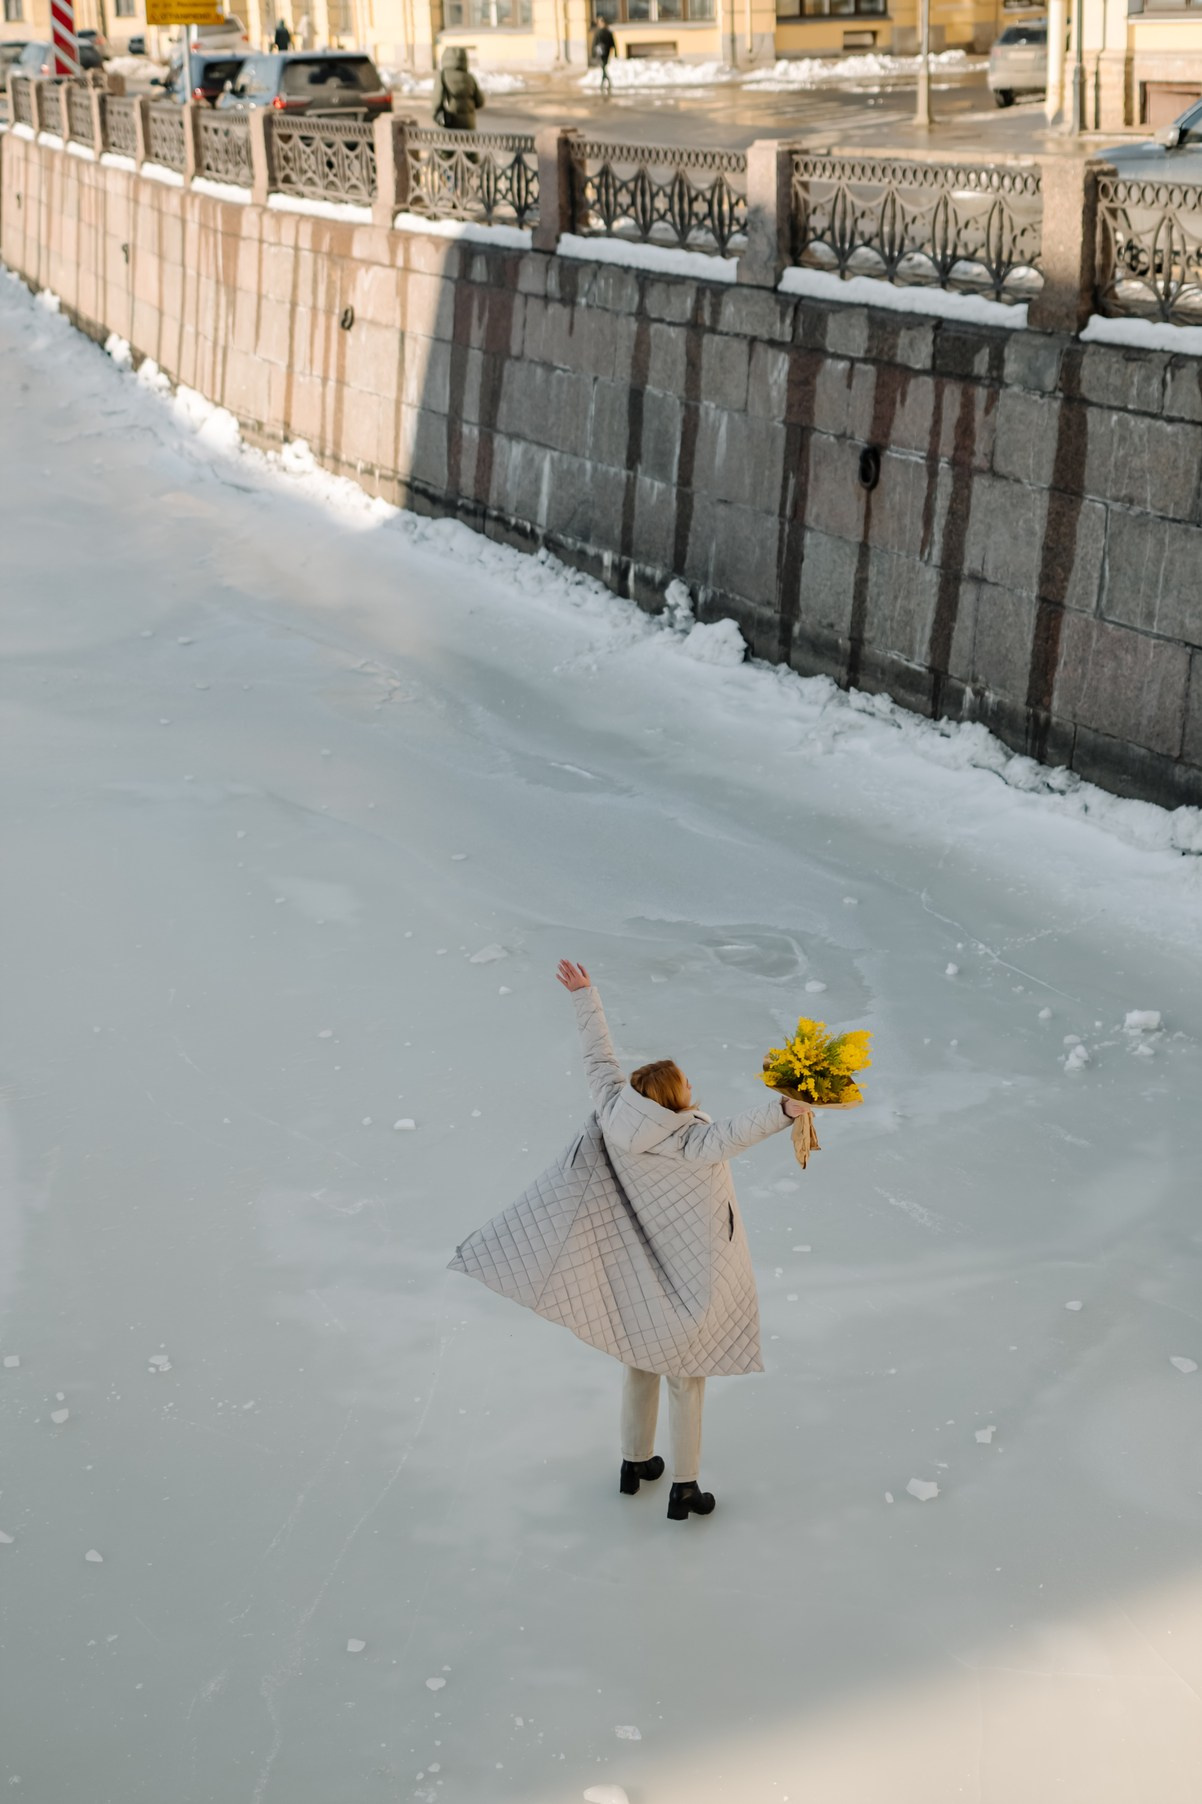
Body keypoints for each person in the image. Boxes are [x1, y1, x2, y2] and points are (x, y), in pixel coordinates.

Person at [449, 961, 813, 1522]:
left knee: (639, 1362)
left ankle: (634, 1463)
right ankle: (684, 1489)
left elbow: (599, 1058)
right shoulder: (692, 1142)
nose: (695, 1087)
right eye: (688, 1083)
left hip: (638, 1276)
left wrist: (585, 996)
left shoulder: (612, 1108)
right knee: (687, 1380)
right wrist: (787, 1109)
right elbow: (739, 1130)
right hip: (689, 1276)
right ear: (674, 1097)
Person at [433, 45, 485, 131]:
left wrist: (435, 115)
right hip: (469, 125)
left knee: (448, 144)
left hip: (450, 123)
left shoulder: (443, 75)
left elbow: (436, 99)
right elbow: (480, 102)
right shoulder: (470, 77)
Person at [590, 15, 616, 95]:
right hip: (600, 52)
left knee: (604, 65)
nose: (601, 24)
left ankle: (605, 80)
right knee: (603, 65)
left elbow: (613, 43)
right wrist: (593, 52)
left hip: (606, 51)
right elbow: (594, 43)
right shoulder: (598, 32)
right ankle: (606, 79)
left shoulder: (608, 32)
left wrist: (615, 52)